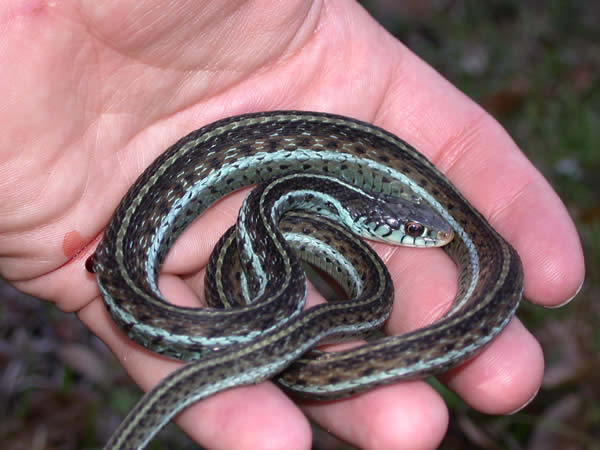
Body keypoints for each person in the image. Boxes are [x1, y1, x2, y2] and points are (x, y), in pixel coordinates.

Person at [0, 1, 584, 449]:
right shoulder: (278, 209)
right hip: (212, 260)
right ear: (371, 220)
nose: (432, 237)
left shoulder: (312, 211)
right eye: (413, 232)